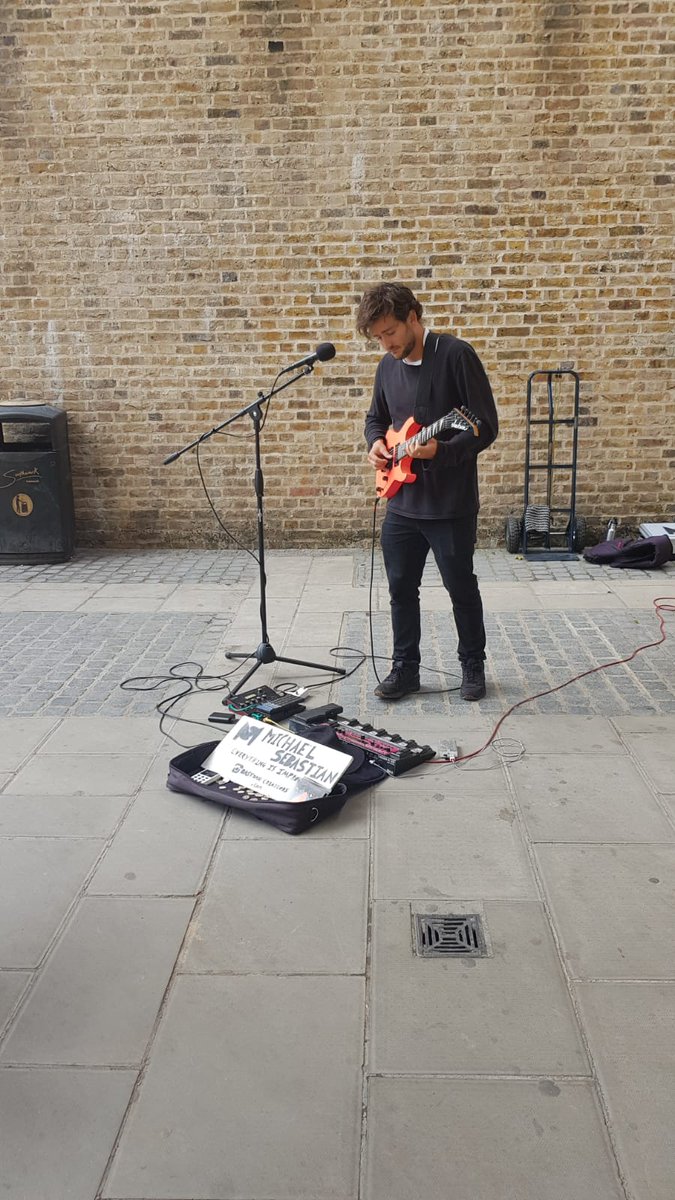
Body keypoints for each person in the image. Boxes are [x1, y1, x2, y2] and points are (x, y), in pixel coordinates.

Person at [358, 282, 498, 701]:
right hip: (401, 502)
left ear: (413, 318)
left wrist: (443, 450)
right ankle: (406, 669)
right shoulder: (387, 367)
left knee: (460, 587)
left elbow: (485, 426)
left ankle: (472, 664)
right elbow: (375, 418)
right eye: (378, 337)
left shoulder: (456, 356)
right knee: (400, 588)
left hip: (450, 504)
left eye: (390, 333)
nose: (386, 344)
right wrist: (376, 445)